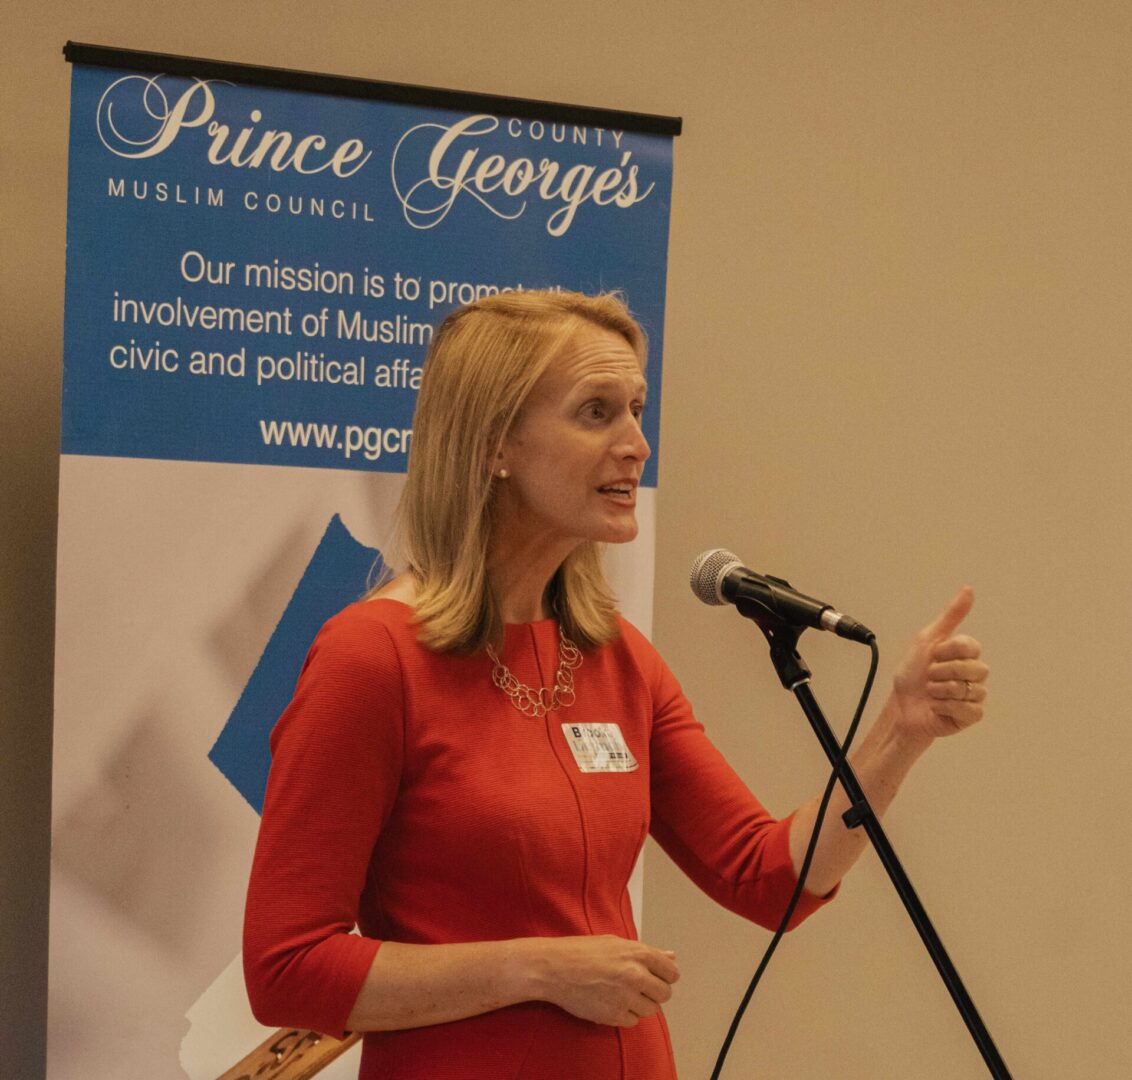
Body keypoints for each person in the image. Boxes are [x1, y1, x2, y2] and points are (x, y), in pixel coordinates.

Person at [243, 289, 989, 1079]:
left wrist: (900, 733)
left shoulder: (616, 658)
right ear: (496, 442)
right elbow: (287, 968)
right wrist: (535, 969)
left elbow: (768, 878)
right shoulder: (375, 656)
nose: (637, 443)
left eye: (637, 409)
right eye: (597, 412)